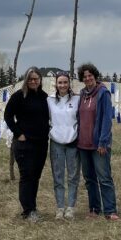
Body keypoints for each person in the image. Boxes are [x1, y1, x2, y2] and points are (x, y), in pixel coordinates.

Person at [3, 66, 50, 222]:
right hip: (25, 144)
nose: (33, 81)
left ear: (40, 80)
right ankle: (27, 211)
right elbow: (8, 116)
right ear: (26, 80)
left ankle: (33, 207)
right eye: (30, 79)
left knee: (35, 177)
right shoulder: (19, 96)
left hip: (41, 144)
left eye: (36, 78)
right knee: (27, 176)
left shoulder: (44, 97)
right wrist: (18, 133)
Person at [76, 63, 119, 220]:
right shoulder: (81, 94)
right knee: (89, 180)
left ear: (95, 76)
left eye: (90, 75)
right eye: (85, 76)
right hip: (83, 144)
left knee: (104, 178)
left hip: (98, 145)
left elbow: (107, 120)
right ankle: (94, 209)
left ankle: (110, 211)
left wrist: (103, 142)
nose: (88, 78)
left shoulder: (103, 93)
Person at [47, 72, 80, 220]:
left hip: (73, 143)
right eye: (60, 83)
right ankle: (60, 207)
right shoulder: (49, 100)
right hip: (56, 143)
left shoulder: (77, 99)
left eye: (65, 82)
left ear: (69, 84)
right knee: (58, 177)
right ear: (56, 84)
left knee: (73, 176)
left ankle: (70, 208)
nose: (62, 85)